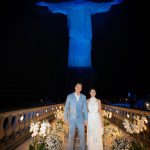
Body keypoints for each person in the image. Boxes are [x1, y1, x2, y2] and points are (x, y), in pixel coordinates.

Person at [36, 0, 124, 67]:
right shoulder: (69, 4)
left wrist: (111, 2)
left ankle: (85, 71)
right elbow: (57, 6)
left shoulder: (88, 4)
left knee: (85, 56)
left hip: (85, 36)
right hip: (74, 36)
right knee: (74, 58)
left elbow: (100, 6)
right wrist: (46, 4)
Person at [64, 82, 88, 150]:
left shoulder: (83, 97)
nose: (78, 88)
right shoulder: (69, 96)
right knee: (71, 137)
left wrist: (86, 119)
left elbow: (85, 109)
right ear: (75, 87)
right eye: (77, 87)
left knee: (82, 137)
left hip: (81, 120)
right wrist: (65, 118)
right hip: (72, 119)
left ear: (81, 89)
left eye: (80, 87)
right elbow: (66, 108)